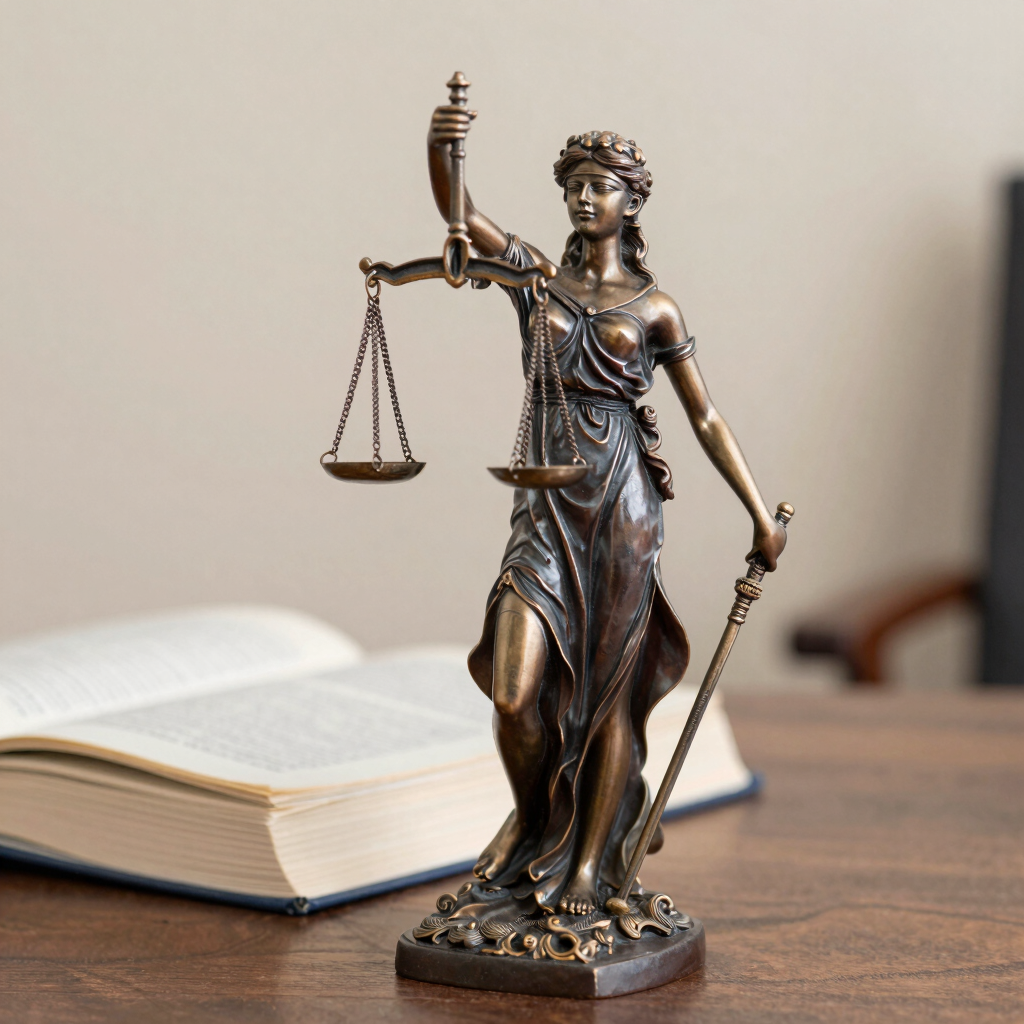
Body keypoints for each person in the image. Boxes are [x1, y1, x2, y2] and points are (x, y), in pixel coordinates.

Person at [428, 111, 787, 918]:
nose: (585, 198)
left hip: (623, 505)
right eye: (575, 186)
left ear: (633, 203)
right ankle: (532, 825)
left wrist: (760, 515)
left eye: (601, 187)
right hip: (546, 502)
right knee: (516, 694)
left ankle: (590, 866)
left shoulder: (656, 309)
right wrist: (439, 144)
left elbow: (705, 417)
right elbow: (460, 213)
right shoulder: (533, 282)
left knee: (609, 695)